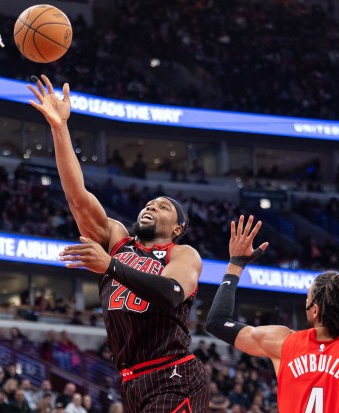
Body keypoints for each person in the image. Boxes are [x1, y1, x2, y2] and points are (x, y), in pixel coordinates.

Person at [28, 75, 208, 412]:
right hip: (130, 381)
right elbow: (77, 197)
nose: (152, 205)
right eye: (149, 203)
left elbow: (170, 293)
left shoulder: (182, 253)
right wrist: (59, 127)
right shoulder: (116, 239)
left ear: (178, 228)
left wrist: (110, 266)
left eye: (164, 206)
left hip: (174, 374)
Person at [206, 215, 339, 413]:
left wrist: (236, 264)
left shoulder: (282, 341)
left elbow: (217, 322)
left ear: (315, 310)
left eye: (307, 298)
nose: (305, 303)